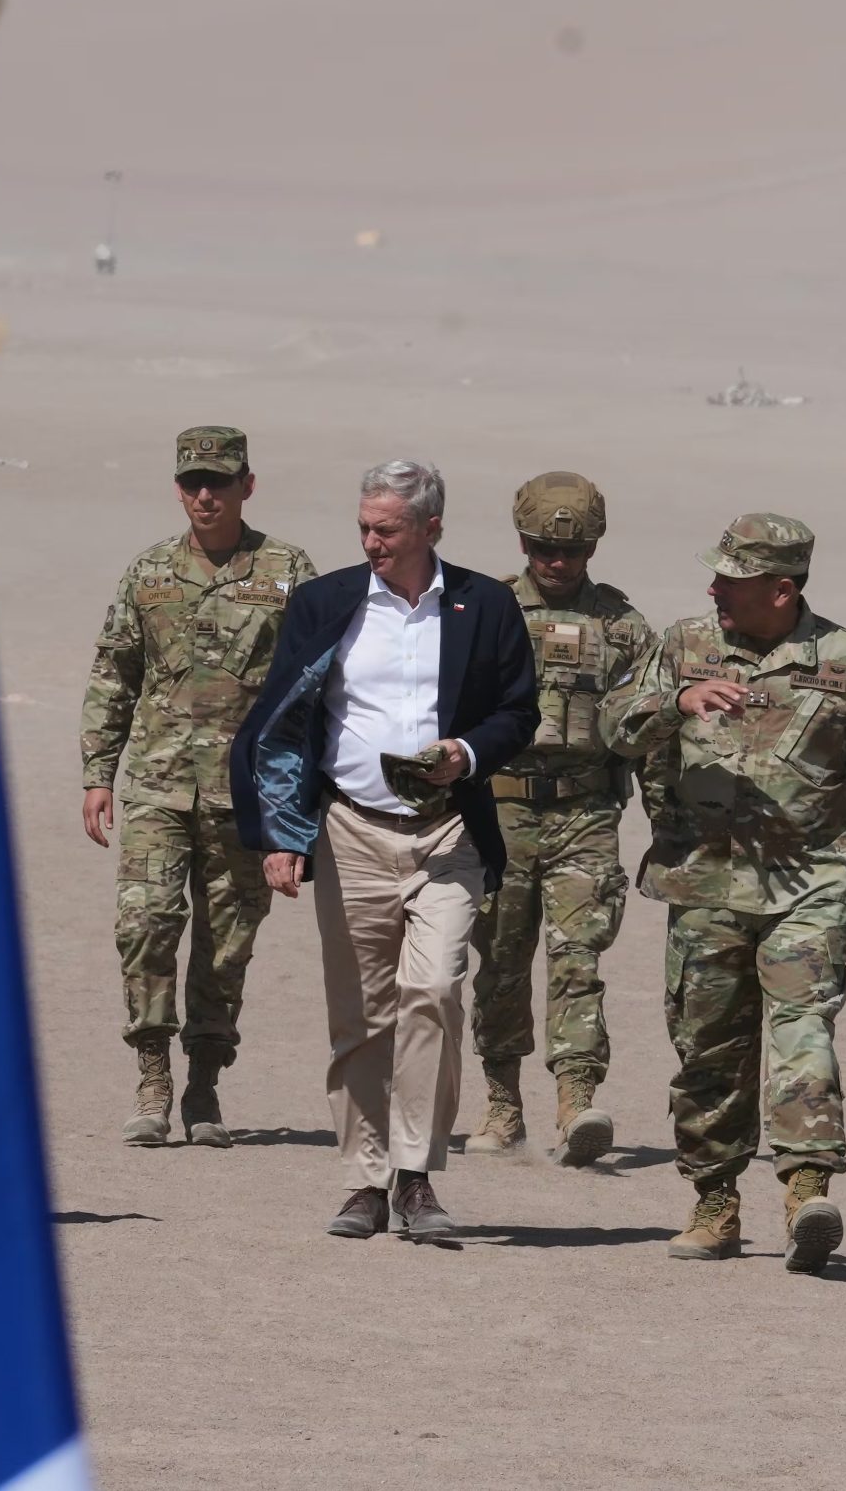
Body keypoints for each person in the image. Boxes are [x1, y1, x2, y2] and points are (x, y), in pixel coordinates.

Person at [602, 513, 846, 1274]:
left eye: (732, 579)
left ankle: (805, 1192)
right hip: (704, 881)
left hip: (810, 886)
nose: (714, 588)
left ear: (782, 590)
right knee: (708, 1049)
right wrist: (676, 704)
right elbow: (615, 730)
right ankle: (714, 1203)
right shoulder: (684, 645)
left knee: (804, 1034)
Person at [230, 460, 536, 1241]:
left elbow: (518, 710)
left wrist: (466, 754)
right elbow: (284, 723)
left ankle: (417, 1177)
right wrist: (282, 835)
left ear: (431, 528)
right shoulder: (325, 602)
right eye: (365, 527)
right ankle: (365, 1183)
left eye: (387, 529)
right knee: (362, 1012)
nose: (371, 541)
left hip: (448, 834)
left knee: (433, 990)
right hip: (351, 831)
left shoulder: (486, 603)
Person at [82, 426, 315, 1146]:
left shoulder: (288, 571)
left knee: (226, 945)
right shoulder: (149, 572)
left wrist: (297, 805)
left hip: (243, 792)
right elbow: (114, 673)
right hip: (156, 782)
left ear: (249, 484)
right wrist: (98, 774)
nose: (205, 496)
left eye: (218, 481)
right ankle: (152, 1079)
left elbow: (314, 689)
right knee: (144, 926)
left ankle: (205, 1084)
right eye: (192, 483)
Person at [468, 472, 652, 1165]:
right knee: (501, 960)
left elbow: (652, 729)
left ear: (593, 550)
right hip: (499, 809)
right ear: (523, 541)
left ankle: (577, 1098)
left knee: (578, 957)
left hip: (586, 810)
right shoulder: (483, 611)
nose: (557, 562)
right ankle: (501, 1100)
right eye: (545, 548)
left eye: (571, 552)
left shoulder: (623, 627)